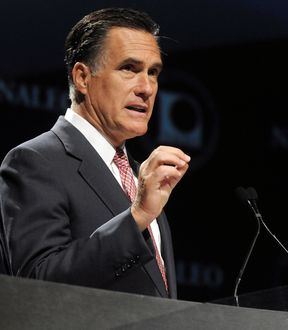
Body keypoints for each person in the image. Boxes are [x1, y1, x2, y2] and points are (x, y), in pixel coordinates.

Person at [0, 7, 190, 299]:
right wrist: (136, 216)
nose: (147, 88)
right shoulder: (35, 161)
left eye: (153, 72)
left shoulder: (138, 175)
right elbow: (37, 283)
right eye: (129, 68)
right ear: (82, 78)